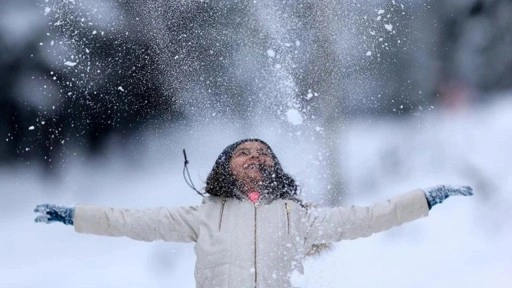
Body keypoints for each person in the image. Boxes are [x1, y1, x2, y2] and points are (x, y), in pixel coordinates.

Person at [34, 138, 473, 288]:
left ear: (275, 168)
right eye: (243, 152)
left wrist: (424, 199)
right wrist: (74, 215)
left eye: (263, 153)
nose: (254, 157)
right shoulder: (203, 215)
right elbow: (128, 220)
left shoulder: (297, 217)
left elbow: (368, 216)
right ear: (225, 166)